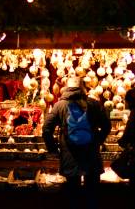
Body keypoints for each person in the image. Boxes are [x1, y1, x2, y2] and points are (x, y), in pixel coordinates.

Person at [42, 76, 111, 209]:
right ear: (82, 88)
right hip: (91, 154)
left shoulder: (59, 105)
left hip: (70, 155)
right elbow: (107, 126)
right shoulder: (94, 104)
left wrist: (53, 149)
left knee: (73, 194)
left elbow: (46, 130)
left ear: (66, 88)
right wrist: (98, 140)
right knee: (92, 195)